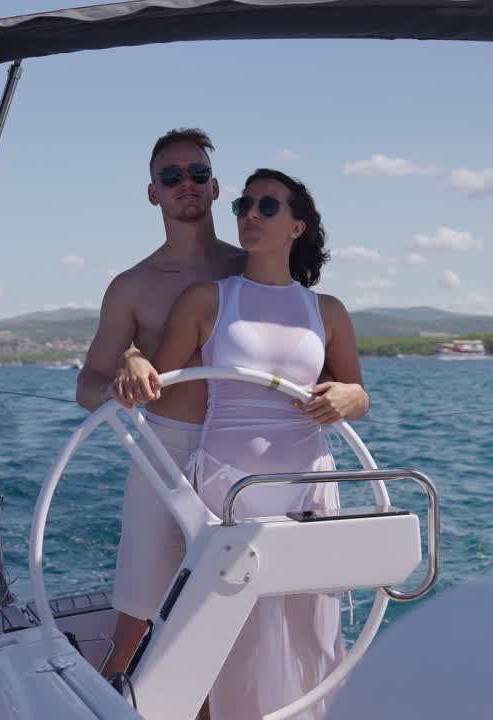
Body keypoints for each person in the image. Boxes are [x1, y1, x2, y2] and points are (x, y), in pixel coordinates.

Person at [150, 168, 369, 719]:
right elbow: (155, 385)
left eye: (266, 206)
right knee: (228, 636)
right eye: (244, 205)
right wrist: (131, 361)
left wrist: (348, 398)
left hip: (309, 487)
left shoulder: (327, 311)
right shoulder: (206, 300)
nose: (250, 213)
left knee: (313, 634)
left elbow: (359, 394)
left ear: (297, 225)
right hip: (228, 489)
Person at [75, 128, 245, 678]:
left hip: (245, 450)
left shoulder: (254, 269)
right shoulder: (132, 285)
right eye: (171, 177)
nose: (185, 184)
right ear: (153, 193)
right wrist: (124, 375)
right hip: (164, 451)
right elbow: (86, 384)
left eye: (197, 174)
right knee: (136, 618)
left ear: (216, 188)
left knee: (242, 606)